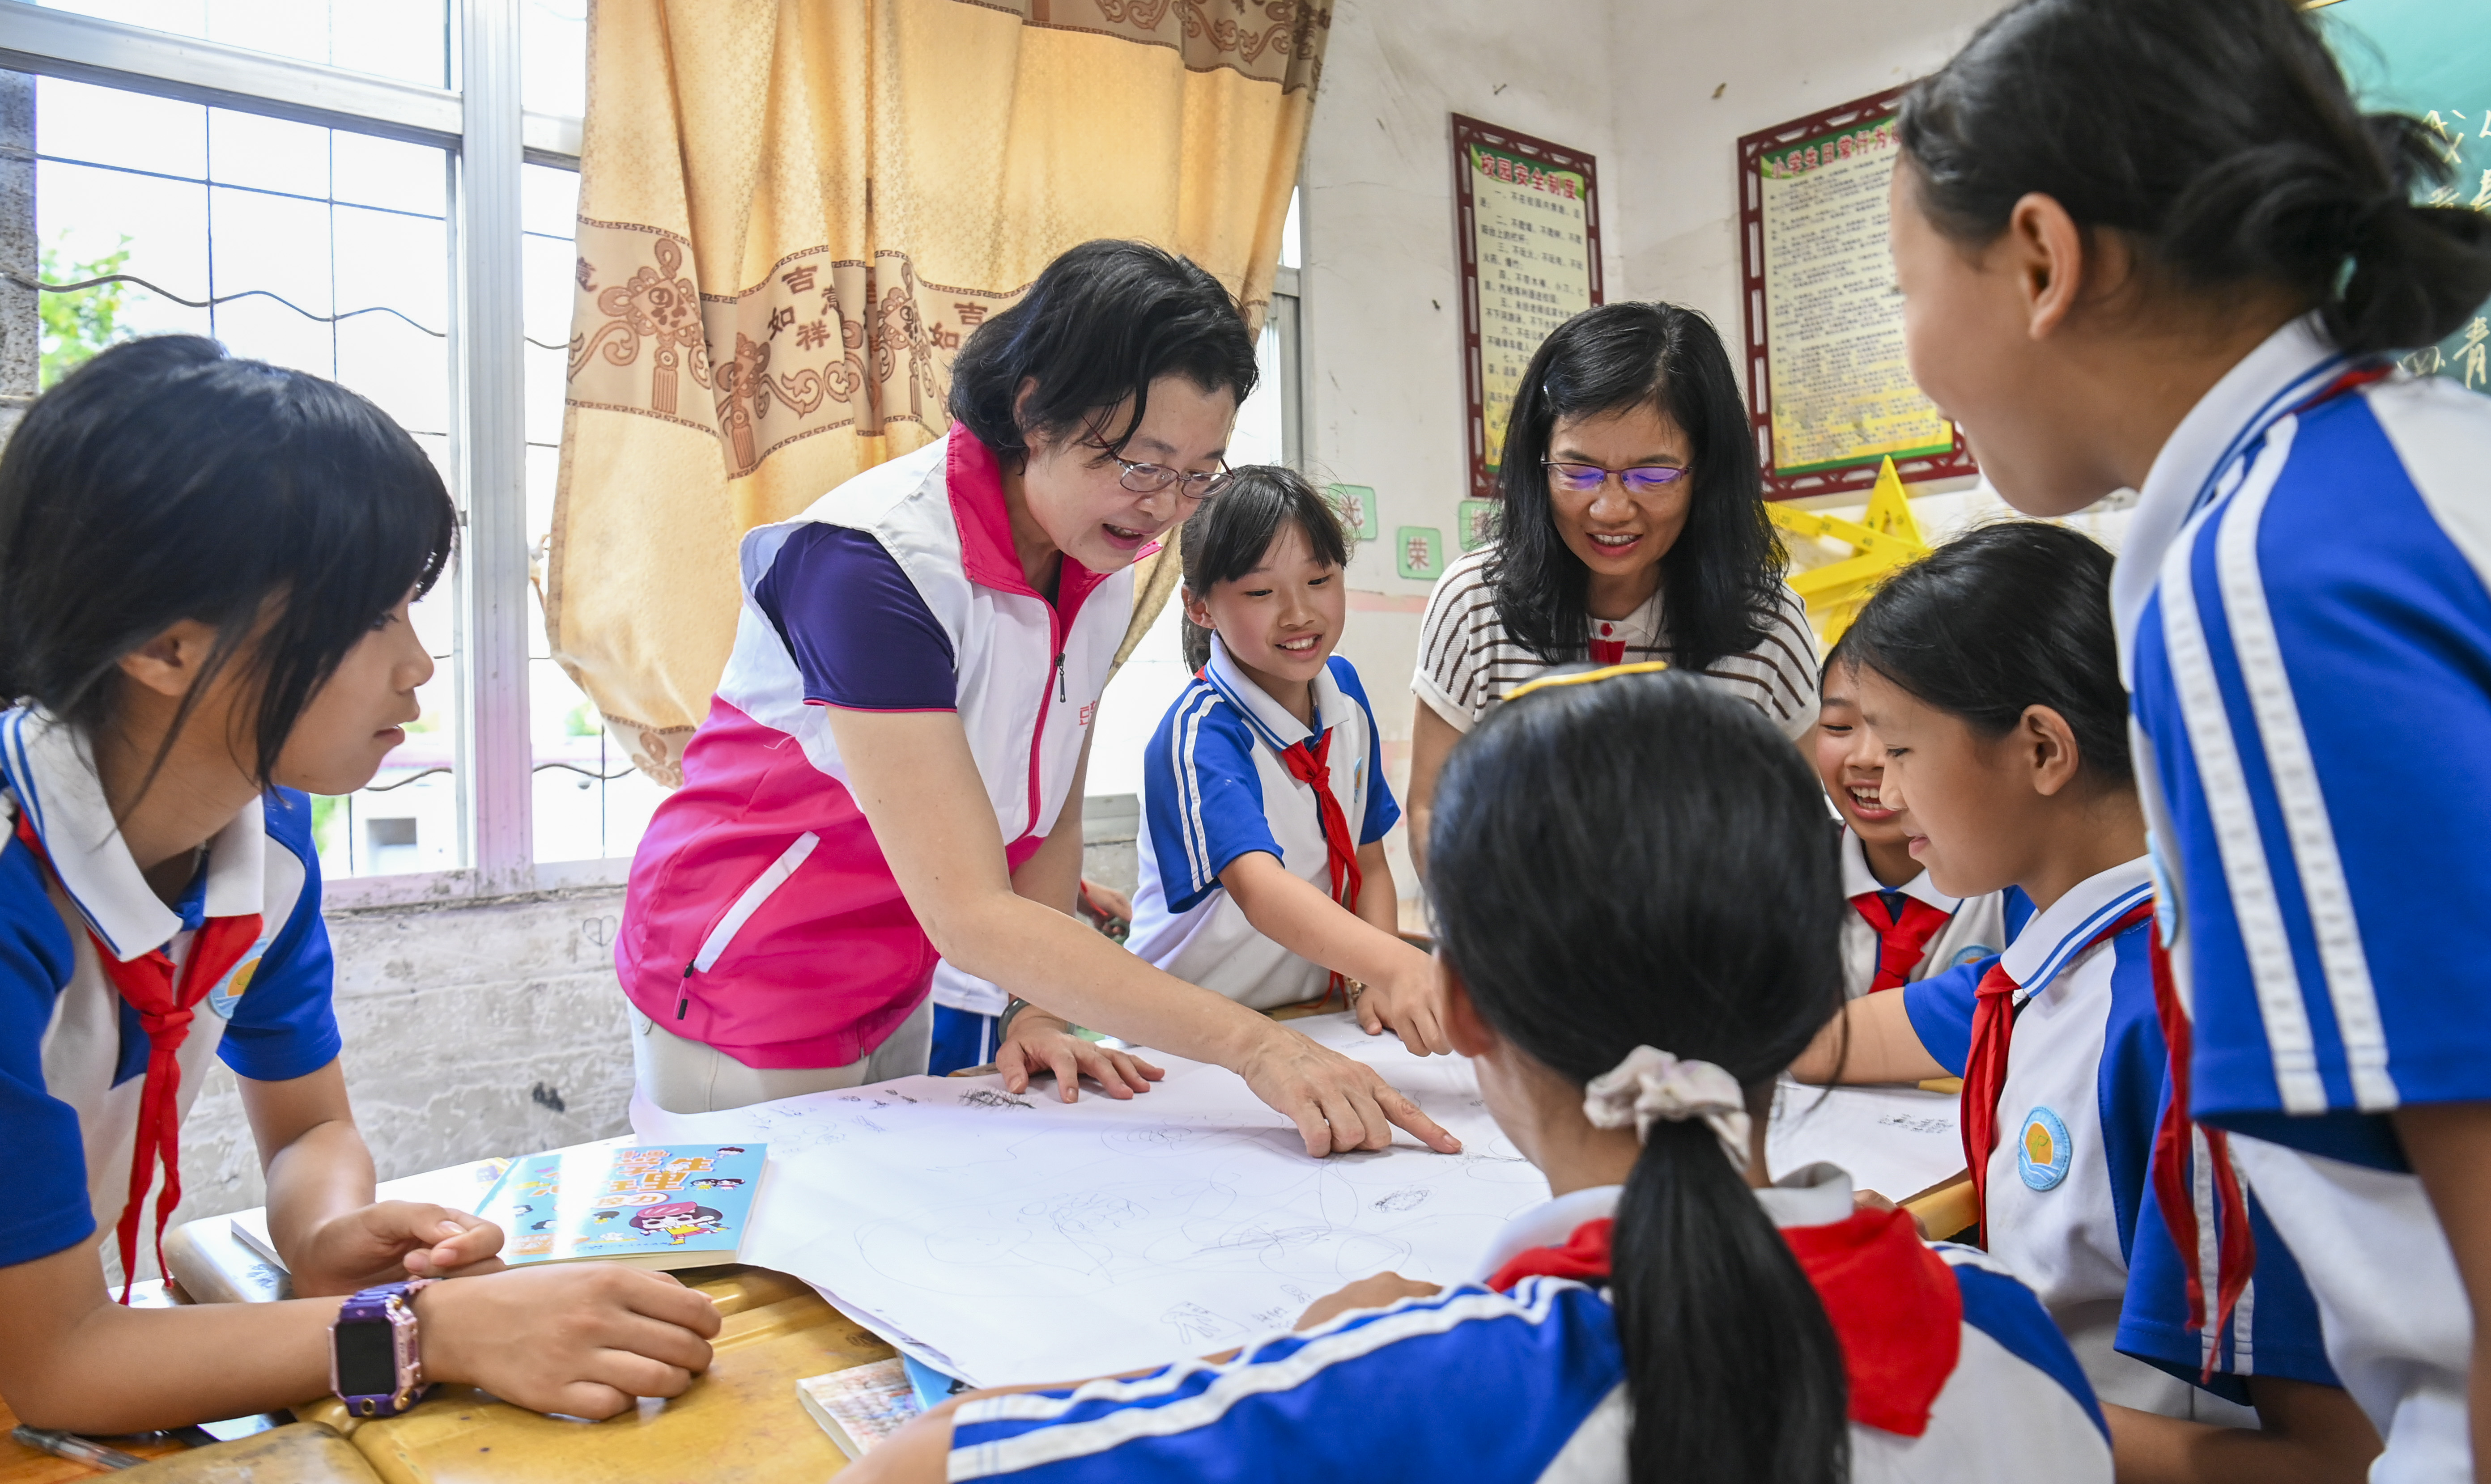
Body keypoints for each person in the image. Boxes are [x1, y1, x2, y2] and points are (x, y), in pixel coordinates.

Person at [843, 665, 2113, 1484]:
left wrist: (1301, 1364)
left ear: (1459, 1008)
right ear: (1812, 991)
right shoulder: (2010, 1340)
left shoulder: (1424, 1398)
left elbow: (905, 1469)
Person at [1887, 0, 2491, 1480]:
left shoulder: (2265, 571)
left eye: (1905, 286)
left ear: (2037, 260)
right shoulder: (2398, 468)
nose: (1911, 352)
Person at [0, 339, 721, 1431]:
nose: (420, 664)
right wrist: (430, 1328)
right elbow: (57, 1364)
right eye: (373, 615)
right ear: (164, 644)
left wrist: (328, 1231)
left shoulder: (260, 835)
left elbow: (304, 1133)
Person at [612, 241, 1456, 1160]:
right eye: (1142, 463)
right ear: (1035, 410)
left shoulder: (1092, 560)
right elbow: (969, 906)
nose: (1167, 508)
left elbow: (1049, 808)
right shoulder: (870, 562)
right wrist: (1258, 1044)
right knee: (756, 1272)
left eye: (1198, 473)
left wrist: (1039, 1004)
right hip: (746, 979)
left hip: (893, 974)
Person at [1792, 525, 2375, 1479]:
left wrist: (1959, 1384)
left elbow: (2341, 1461)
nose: (1883, 788)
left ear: (2042, 747)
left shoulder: (2181, 1019)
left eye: (1901, 747)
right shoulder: (2049, 967)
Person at [1406, 301, 1819, 865]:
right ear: (1538, 461)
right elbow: (1432, 808)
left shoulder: (1765, 625)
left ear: (1708, 471)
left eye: (1653, 474)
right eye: (1578, 471)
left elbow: (1800, 830)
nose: (1610, 508)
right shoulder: (1475, 602)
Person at [1125, 465, 1441, 1047]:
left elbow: (1369, 862)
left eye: (1320, 580)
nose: (1300, 614)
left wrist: (1377, 984)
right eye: (1261, 592)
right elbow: (1261, 891)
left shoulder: (1343, 691)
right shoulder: (1199, 736)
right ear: (1199, 607)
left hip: (1307, 1023)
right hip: (1189, 1039)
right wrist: (1395, 964)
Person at [1814, 639, 2029, 996]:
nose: (1867, 758)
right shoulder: (1787, 873)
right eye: (1838, 726)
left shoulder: (2016, 885)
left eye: (1897, 735)